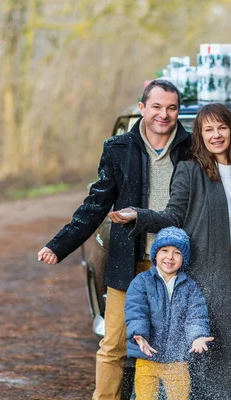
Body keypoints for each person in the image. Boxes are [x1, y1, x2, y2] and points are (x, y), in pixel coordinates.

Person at [109, 103, 231, 399]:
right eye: (208, 129)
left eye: (222, 127)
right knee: (209, 345)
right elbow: (173, 216)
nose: (216, 135)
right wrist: (138, 216)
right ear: (200, 135)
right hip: (208, 273)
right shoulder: (191, 171)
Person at [37, 79, 192, 400]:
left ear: (178, 111)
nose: (164, 114)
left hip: (179, 265)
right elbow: (96, 203)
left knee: (178, 347)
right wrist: (59, 244)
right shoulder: (118, 149)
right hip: (128, 262)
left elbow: (228, 189)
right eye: (157, 107)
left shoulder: (192, 148)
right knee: (114, 343)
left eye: (172, 108)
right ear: (142, 108)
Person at [125, 227, 213, 399]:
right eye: (164, 250)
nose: (170, 257)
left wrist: (198, 336)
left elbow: (196, 315)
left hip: (177, 360)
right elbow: (136, 310)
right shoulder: (142, 282)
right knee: (145, 397)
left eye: (177, 252)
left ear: (184, 259)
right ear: (155, 254)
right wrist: (139, 334)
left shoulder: (190, 287)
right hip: (147, 356)